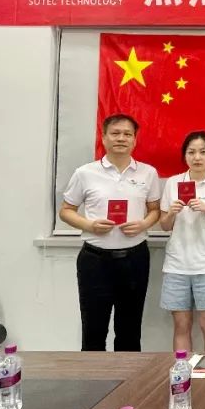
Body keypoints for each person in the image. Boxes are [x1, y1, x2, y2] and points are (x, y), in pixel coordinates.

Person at [59, 114, 161, 351]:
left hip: (135, 259)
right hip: (95, 261)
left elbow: (155, 210)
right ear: (104, 138)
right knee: (94, 330)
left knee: (130, 330)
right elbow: (66, 211)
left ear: (135, 140)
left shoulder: (148, 173)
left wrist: (143, 224)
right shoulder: (85, 173)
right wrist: (89, 225)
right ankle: (93, 376)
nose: (121, 138)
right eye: (115, 133)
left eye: (127, 134)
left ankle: (129, 376)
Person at [158, 131, 205, 355]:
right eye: (191, 152)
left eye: (203, 152)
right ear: (185, 156)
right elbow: (164, 226)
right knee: (181, 325)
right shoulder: (173, 183)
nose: (197, 157)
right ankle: (183, 371)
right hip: (177, 266)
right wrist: (171, 213)